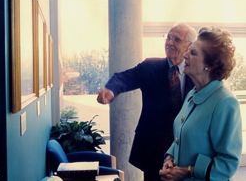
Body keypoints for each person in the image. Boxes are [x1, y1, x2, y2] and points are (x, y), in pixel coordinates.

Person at [97, 23, 197, 181]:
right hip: (153, 149)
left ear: (189, 46)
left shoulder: (196, 71)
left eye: (176, 39)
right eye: (168, 37)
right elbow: (124, 78)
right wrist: (110, 90)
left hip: (185, 150)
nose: (169, 42)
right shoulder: (150, 67)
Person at [159, 27, 242, 181]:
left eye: (193, 53)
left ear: (209, 65)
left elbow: (228, 163)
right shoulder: (192, 94)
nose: (185, 55)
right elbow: (181, 136)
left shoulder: (225, 103)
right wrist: (169, 159)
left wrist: (189, 170)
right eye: (188, 50)